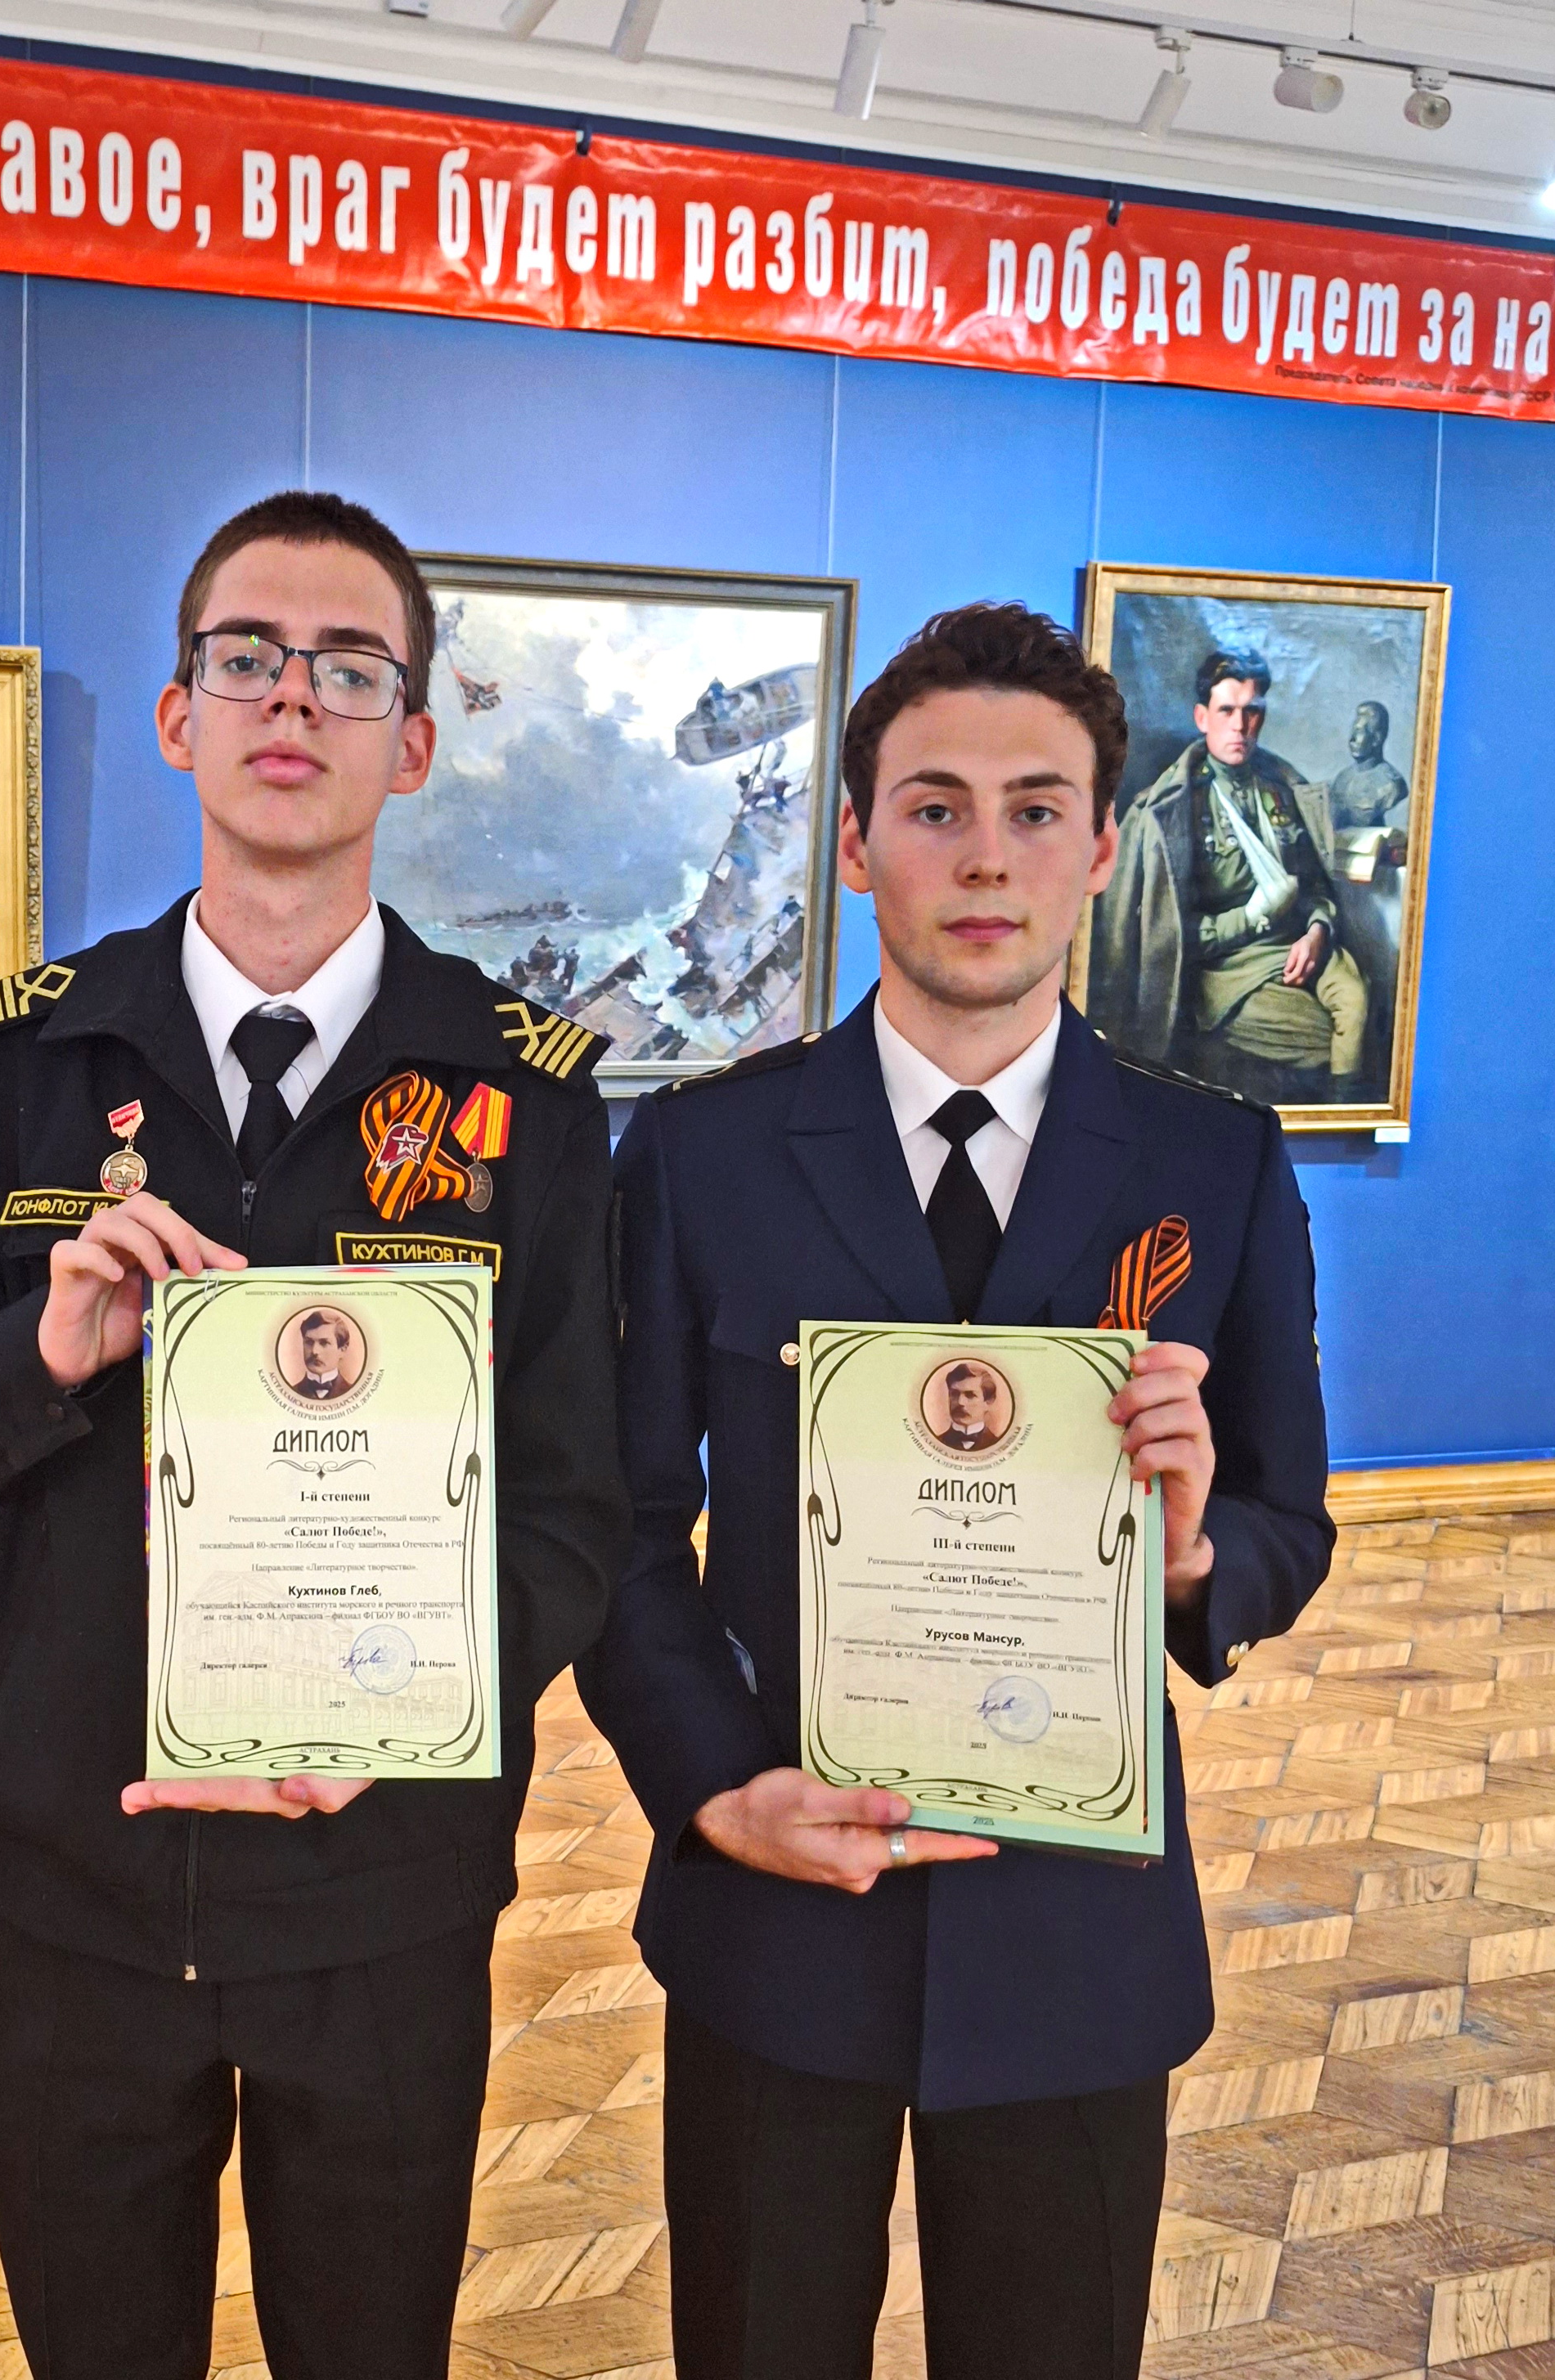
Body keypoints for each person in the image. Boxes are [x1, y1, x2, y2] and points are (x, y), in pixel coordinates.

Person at [0, 489, 628, 2380]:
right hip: (67, 1882)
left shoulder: (526, 1094)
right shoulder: (28, 1062)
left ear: (410, 741)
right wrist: (43, 1347)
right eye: (247, 656)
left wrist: (399, 1707)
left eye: (349, 668)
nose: (293, 698)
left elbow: (573, 1510)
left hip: (380, 1887)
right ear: (180, 713)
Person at [578, 603, 1333, 2380]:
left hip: (1077, 1933)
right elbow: (615, 1523)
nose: (986, 856)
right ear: (854, 845)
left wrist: (1197, 1553)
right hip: (781, 1908)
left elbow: (1286, 1519)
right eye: (933, 808)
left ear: (1102, 845)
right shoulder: (700, 1153)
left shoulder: (1216, 1163)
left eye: (1035, 808)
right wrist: (716, 1789)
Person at [1094, 645, 1370, 1101]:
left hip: (1299, 944)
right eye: (1227, 711)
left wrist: (1318, 930)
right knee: (1325, 1037)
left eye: (1251, 711)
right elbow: (1167, 936)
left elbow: (1315, 884)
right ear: (1202, 717)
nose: (1240, 726)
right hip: (1229, 970)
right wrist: (1252, 916)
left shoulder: (1285, 790)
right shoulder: (1169, 811)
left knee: (1358, 1010)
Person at [1328, 698, 1411, 834]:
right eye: (1353, 731)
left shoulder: (1392, 785)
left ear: (1376, 739)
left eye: (1359, 732)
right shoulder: (1342, 779)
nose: (1352, 739)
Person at [936, 1360, 1004, 1451]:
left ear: (988, 1401)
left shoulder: (998, 1445)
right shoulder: (937, 1443)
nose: (960, 1402)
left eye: (970, 1395)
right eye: (954, 1394)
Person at [291, 1308, 357, 1399]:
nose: (314, 1351)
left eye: (324, 1343)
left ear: (342, 1349)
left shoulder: (353, 1393)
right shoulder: (291, 1393)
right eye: (309, 1342)